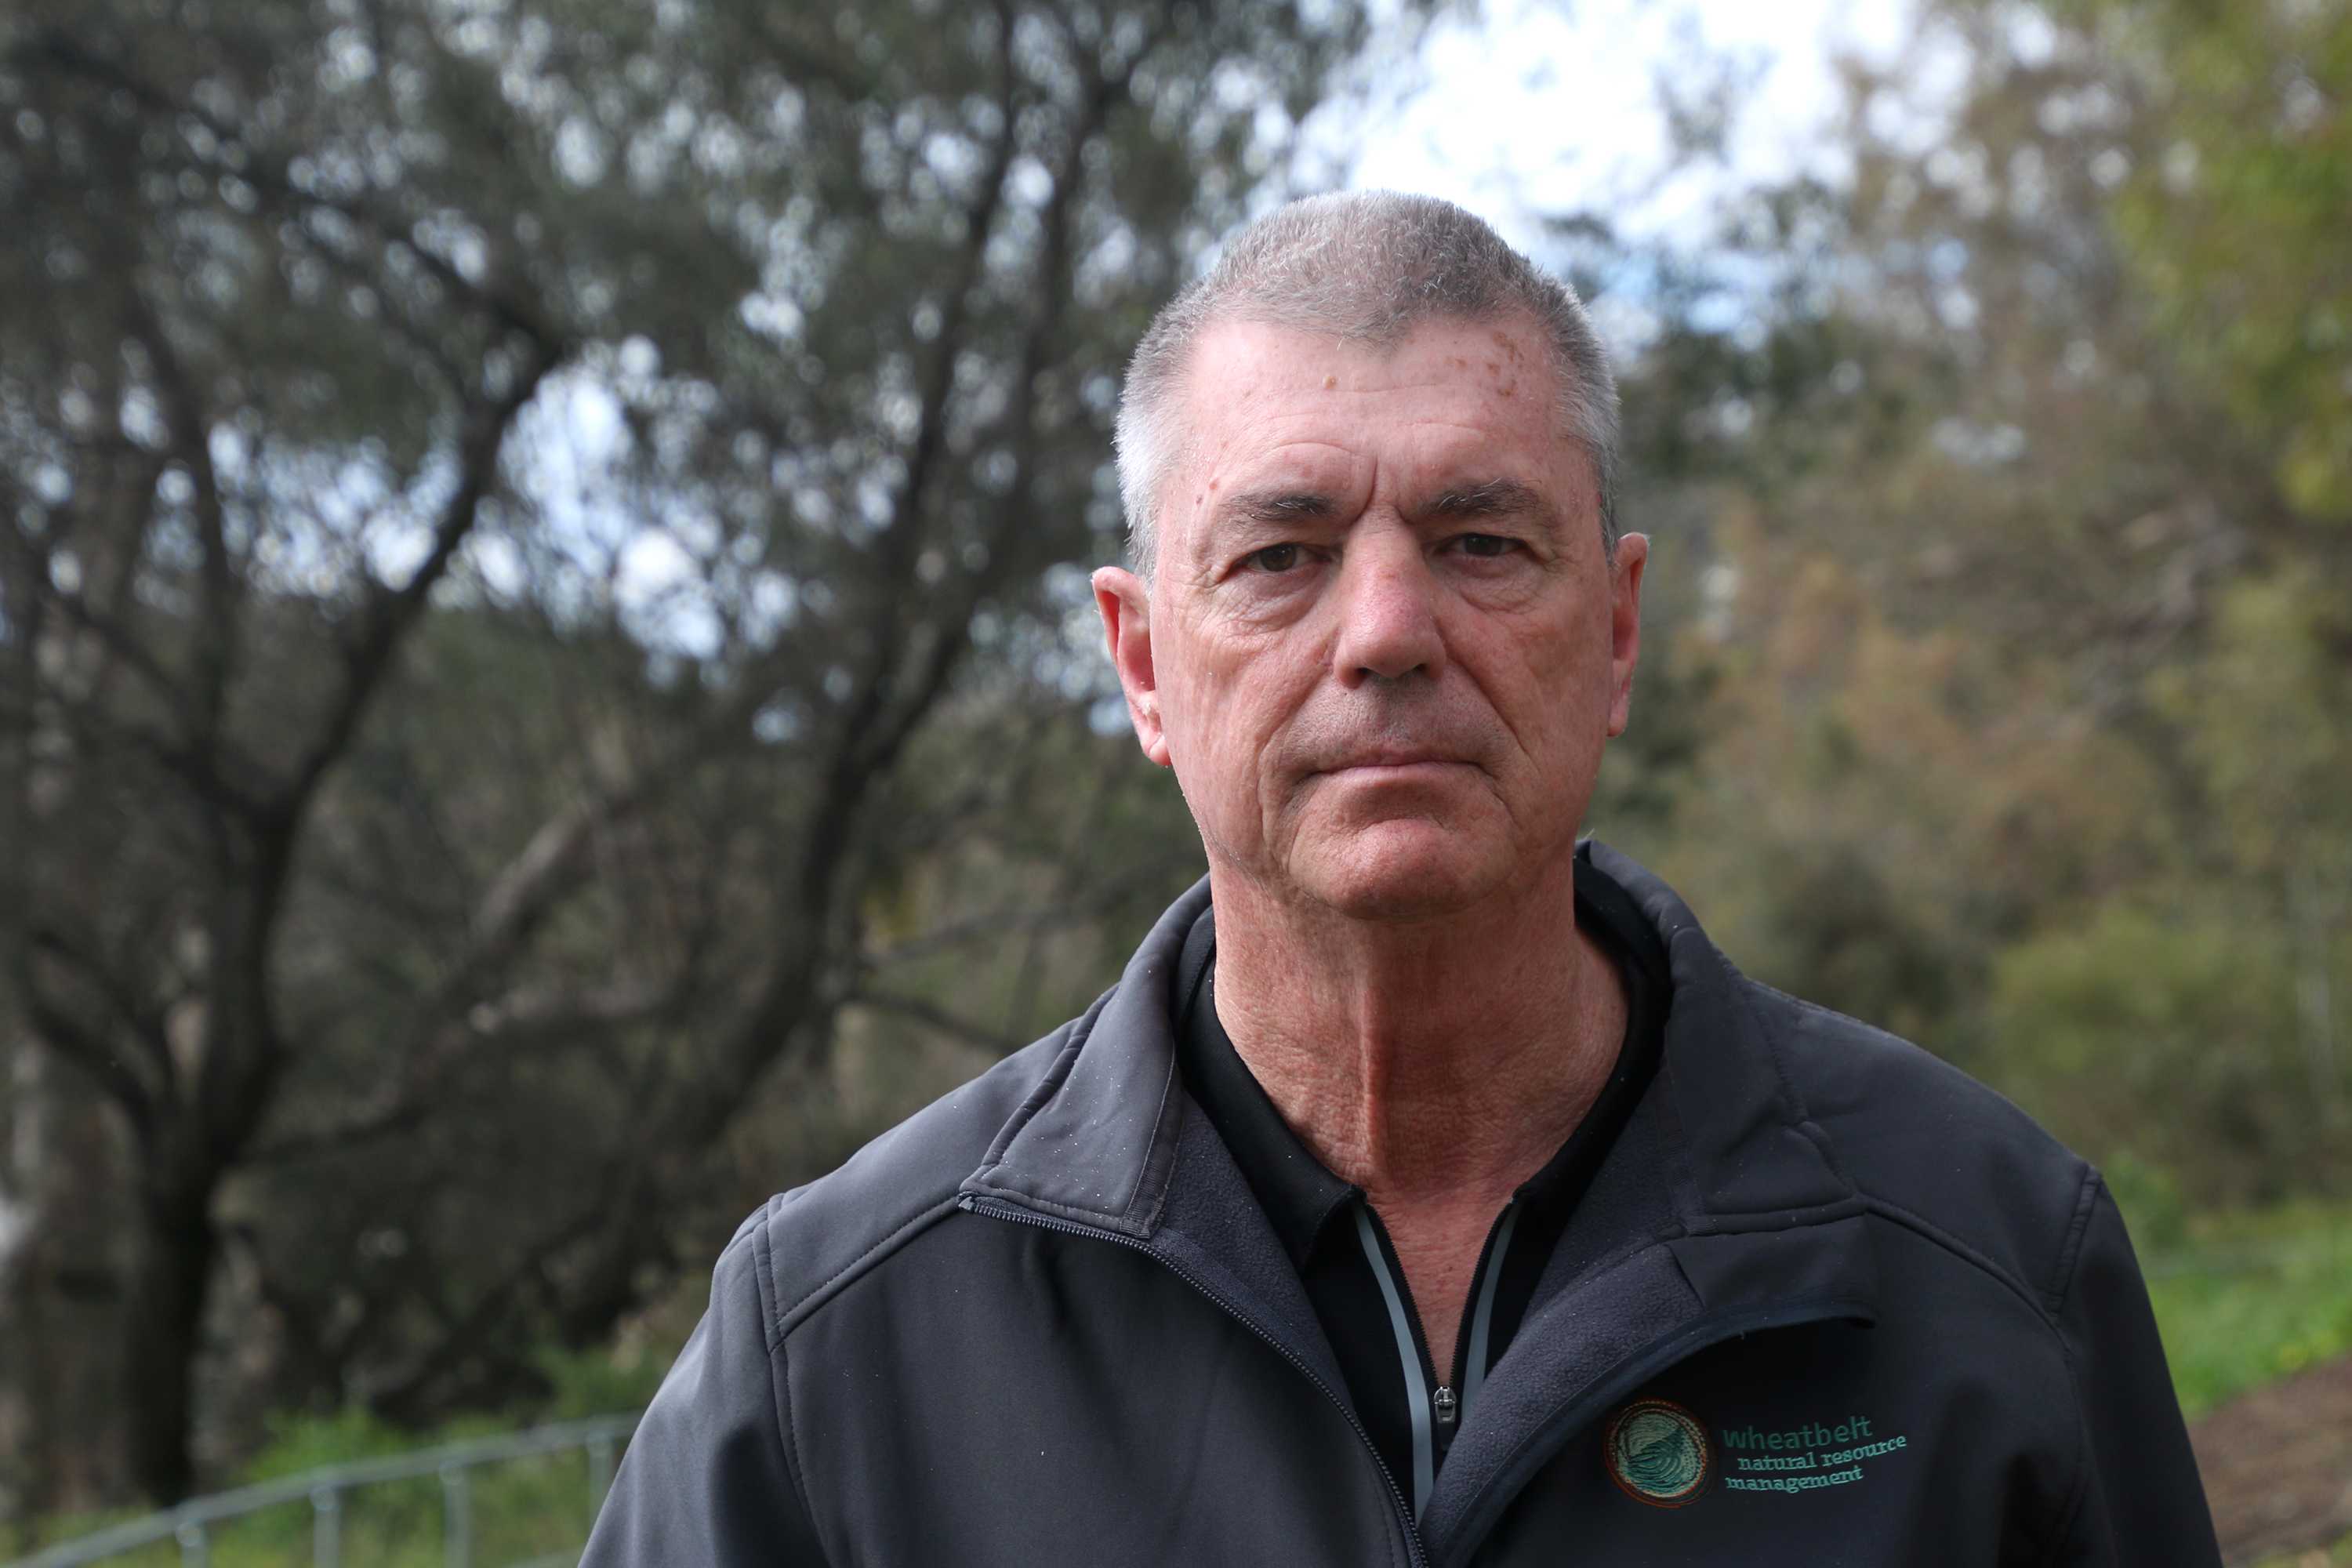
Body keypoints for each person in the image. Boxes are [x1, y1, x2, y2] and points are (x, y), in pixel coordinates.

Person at [580, 192, 2221, 1566]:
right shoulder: (838, 1346)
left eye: (1480, 542)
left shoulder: (1987, 1256)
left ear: (1618, 632)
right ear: (1143, 665)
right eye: (1279, 555)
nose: (1384, 633)